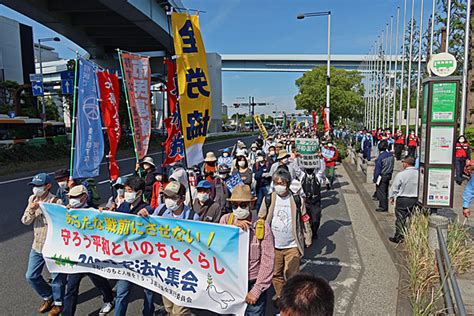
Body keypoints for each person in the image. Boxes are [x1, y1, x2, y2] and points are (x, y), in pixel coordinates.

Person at [220, 185, 275, 316]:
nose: (238, 209)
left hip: (252, 282)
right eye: (235, 205)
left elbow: (268, 261)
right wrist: (232, 229)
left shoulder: (262, 226)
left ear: (251, 204)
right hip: (230, 282)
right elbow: (218, 246)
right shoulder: (225, 220)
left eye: (243, 205)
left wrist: (257, 290)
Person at [258, 168, 312, 300]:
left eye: (282, 183)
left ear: (288, 184)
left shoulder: (297, 199)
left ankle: (291, 298)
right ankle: (281, 296)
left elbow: (304, 218)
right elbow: (261, 218)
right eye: (276, 183)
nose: (279, 186)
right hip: (273, 245)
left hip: (292, 245)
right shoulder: (269, 198)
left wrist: (308, 236)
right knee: (276, 274)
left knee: (292, 274)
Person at [62, 185, 115, 316]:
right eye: (70, 197)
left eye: (75, 197)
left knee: (99, 282)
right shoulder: (68, 212)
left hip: (91, 258)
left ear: (84, 197)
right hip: (76, 258)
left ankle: (109, 300)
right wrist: (65, 213)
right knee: (71, 289)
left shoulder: (94, 212)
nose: (71, 200)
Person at [149, 181, 199, 315]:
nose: (168, 200)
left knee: (180, 312)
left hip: (183, 270)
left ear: (182, 199)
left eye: (172, 197)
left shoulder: (193, 217)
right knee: (169, 308)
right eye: (166, 197)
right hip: (165, 267)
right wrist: (144, 215)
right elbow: (150, 229)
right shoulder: (161, 210)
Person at [22, 173, 67, 316]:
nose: (36, 189)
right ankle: (48, 295)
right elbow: (25, 221)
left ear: (48, 186)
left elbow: (64, 223)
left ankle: (59, 304)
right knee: (31, 276)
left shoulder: (56, 202)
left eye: (39, 186)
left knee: (57, 277)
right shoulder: (32, 199)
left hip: (54, 246)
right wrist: (32, 209)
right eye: (34, 186)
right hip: (38, 244)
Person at [114, 177, 156, 316]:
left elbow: (153, 214)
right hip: (126, 257)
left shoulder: (147, 209)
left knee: (148, 291)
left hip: (144, 258)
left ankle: (148, 313)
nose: (126, 194)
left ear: (139, 193)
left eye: (130, 191)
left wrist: (148, 213)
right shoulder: (123, 206)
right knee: (122, 292)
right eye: (125, 190)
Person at [388, 157, 419, 243]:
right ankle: (412, 235)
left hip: (403, 199)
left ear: (406, 163)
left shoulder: (401, 174)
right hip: (415, 198)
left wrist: (391, 197)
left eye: (403, 163)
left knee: (400, 219)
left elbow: (395, 187)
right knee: (413, 218)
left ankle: (399, 236)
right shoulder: (419, 174)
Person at [301, 166, 322, 238]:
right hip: (305, 202)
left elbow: (322, 169)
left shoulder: (317, 176)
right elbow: (296, 168)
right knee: (306, 219)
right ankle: (308, 234)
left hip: (315, 202)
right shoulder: (302, 176)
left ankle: (314, 231)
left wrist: (321, 158)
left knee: (315, 220)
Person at [373, 140, 395, 212]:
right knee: (385, 191)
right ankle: (385, 204)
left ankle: (383, 206)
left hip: (382, 175)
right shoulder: (391, 155)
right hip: (389, 175)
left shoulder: (380, 157)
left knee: (381, 191)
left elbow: (377, 170)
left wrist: (375, 178)